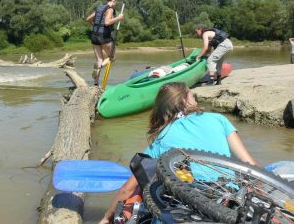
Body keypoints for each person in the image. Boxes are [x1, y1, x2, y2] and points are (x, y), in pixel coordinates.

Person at [98, 82, 258, 224]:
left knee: (146, 189)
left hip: (186, 199)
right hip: (226, 195)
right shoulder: (218, 119)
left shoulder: (163, 135)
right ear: (184, 100)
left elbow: (128, 188)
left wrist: (106, 217)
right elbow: (251, 165)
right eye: (191, 94)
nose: (194, 97)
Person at [86, 0, 124, 86]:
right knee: (112, 57)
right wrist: (118, 18)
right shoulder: (110, 9)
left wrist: (95, 25)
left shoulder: (99, 8)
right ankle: (99, 67)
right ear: (114, 1)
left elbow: (88, 19)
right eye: (116, 2)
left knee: (99, 60)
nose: (115, 5)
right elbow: (107, 22)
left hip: (94, 36)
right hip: (104, 37)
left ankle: (95, 84)